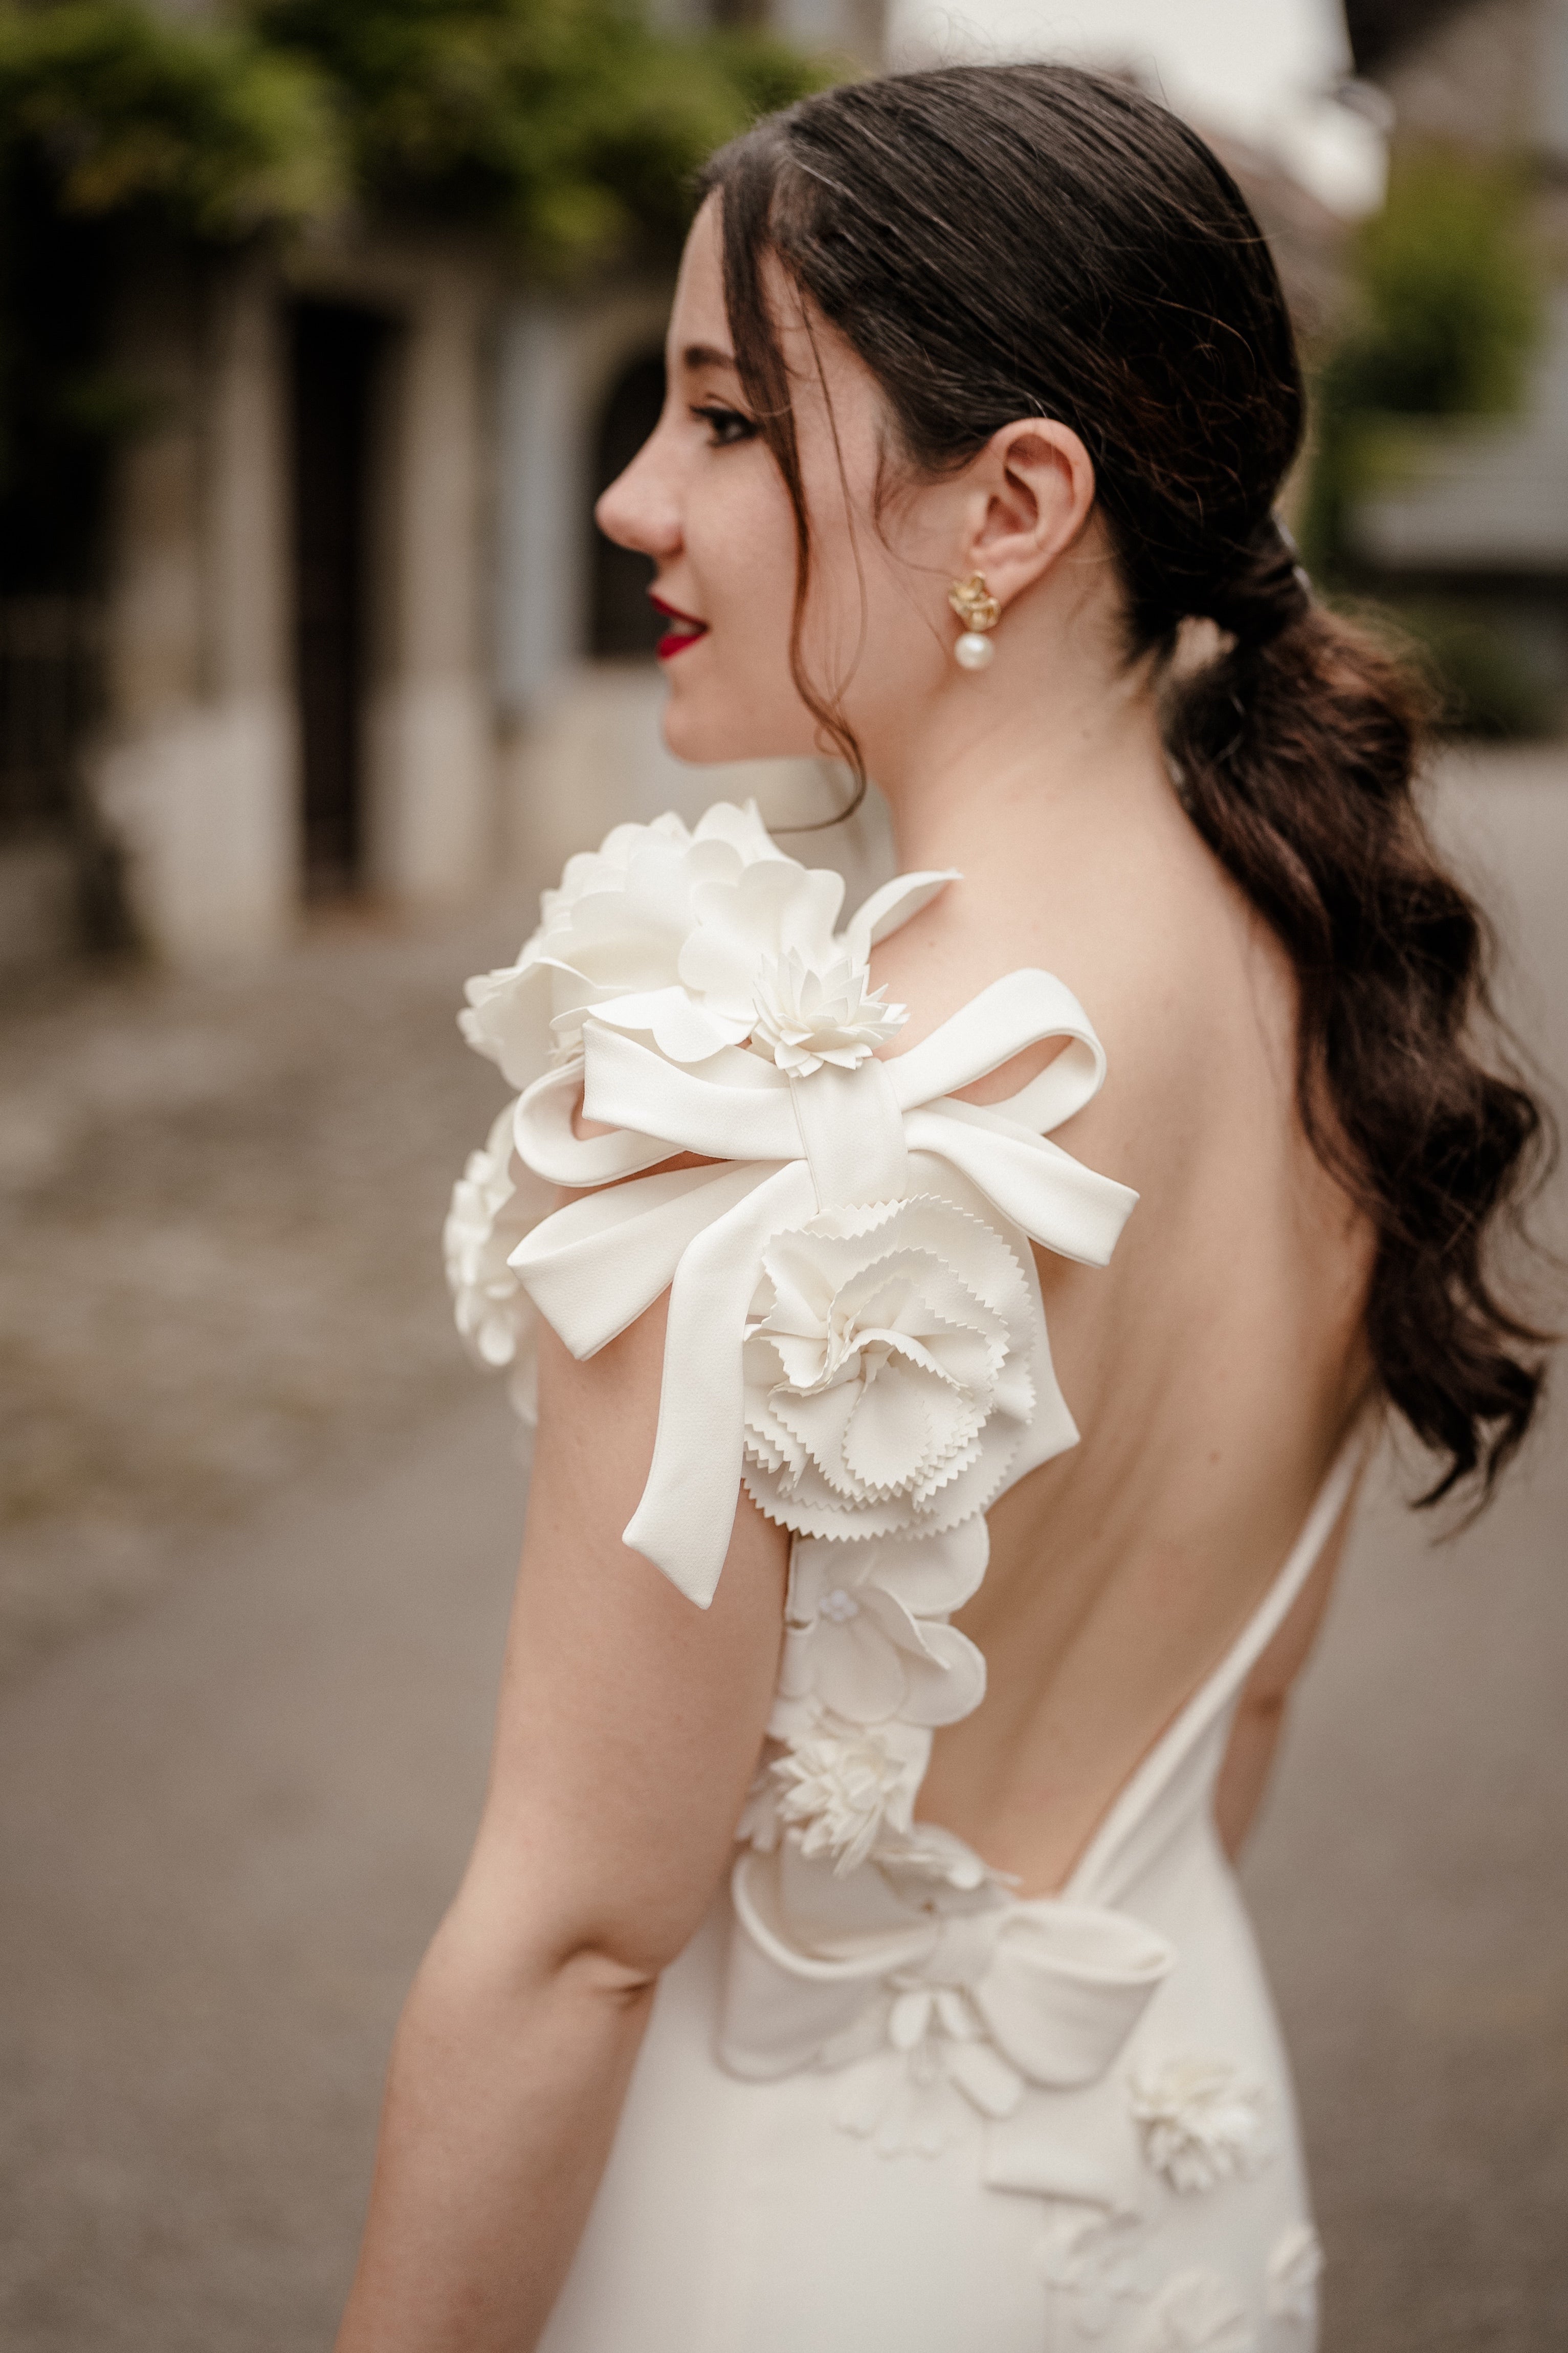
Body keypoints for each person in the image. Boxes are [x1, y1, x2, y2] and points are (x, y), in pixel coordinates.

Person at [336, 66, 1548, 2353]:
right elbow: (1240, 1727)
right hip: (1167, 2169)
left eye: (722, 419)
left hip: (774, 2251)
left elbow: (573, 1946)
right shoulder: (1337, 1001)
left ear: (1011, 503)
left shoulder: (750, 1108)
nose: (629, 495)